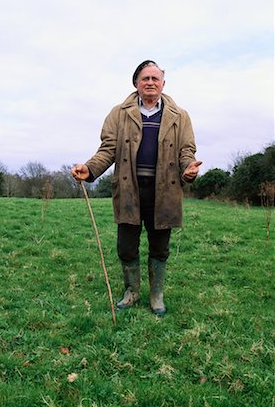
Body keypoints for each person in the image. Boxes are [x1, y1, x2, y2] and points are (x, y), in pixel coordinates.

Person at [72, 60, 202, 316]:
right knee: (126, 246)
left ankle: (156, 296)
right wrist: (89, 169)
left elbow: (187, 151)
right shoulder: (119, 113)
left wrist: (188, 168)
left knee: (160, 246)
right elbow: (108, 149)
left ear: (163, 84)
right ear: (136, 83)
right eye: (145, 79)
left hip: (164, 191)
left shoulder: (180, 116)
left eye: (155, 78)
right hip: (129, 189)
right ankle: (131, 292)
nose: (151, 83)